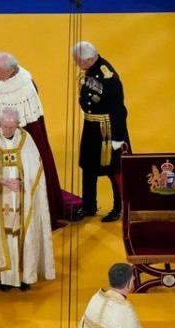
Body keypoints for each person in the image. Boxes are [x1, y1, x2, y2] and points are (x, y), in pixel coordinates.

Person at [0, 108, 55, 292]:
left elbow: (36, 171)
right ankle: (3, 277)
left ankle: (25, 275)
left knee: (21, 234)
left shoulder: (27, 141)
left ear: (18, 124)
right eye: (5, 126)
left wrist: (22, 183)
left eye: (11, 127)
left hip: (22, 201)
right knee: (2, 233)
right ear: (0, 123)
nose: (8, 130)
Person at [0, 52, 64, 228]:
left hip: (23, 141)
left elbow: (12, 122)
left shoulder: (22, 88)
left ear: (9, 72)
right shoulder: (4, 79)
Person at [72, 41, 129, 223]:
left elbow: (119, 111)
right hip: (91, 127)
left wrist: (118, 140)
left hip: (108, 130)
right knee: (88, 167)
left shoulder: (108, 77)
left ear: (89, 59)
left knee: (115, 170)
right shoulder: (90, 70)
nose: (76, 63)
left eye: (78, 60)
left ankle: (119, 207)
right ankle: (89, 205)